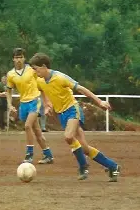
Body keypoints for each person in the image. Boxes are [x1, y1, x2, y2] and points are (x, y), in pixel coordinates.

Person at [29, 52, 121, 182]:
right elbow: (42, 90)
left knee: (68, 136)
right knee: (84, 148)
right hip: (61, 114)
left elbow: (81, 89)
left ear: (44, 66)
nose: (35, 72)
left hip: (73, 109)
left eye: (36, 69)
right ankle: (112, 166)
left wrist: (99, 102)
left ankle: (83, 166)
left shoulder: (60, 77)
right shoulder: (40, 81)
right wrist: (47, 104)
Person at [6, 48, 54, 164]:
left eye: (21, 57)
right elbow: (9, 90)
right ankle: (48, 155)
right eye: (16, 57)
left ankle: (29, 154)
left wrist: (46, 101)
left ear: (24, 58)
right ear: (13, 59)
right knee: (37, 131)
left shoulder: (32, 70)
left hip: (35, 100)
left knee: (27, 126)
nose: (19, 60)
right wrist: (9, 104)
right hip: (24, 103)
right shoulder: (11, 75)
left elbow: (42, 84)